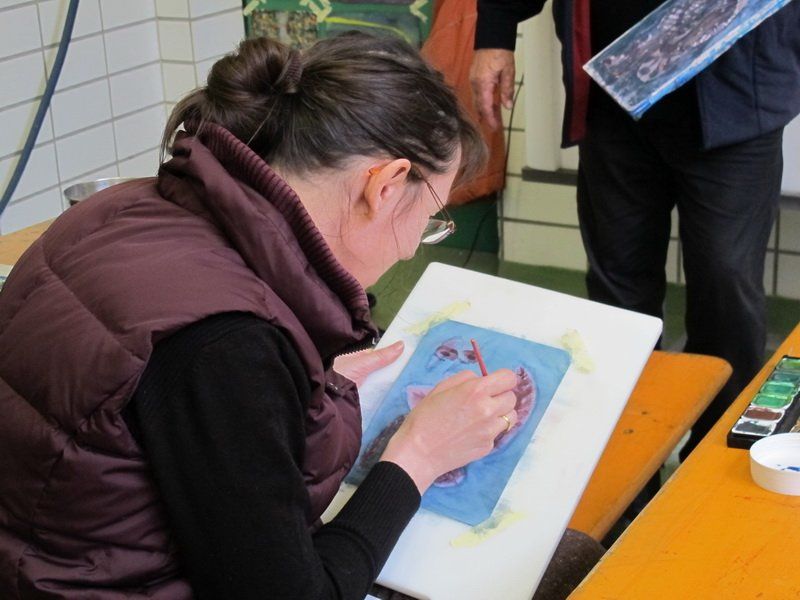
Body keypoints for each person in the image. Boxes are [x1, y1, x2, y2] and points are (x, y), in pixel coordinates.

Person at [0, 33, 524, 599]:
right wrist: (418, 456)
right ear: (386, 185)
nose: (411, 248)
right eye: (429, 217)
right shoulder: (229, 346)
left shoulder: (123, 206)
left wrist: (302, 380)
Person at [470, 0, 800, 460]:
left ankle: (712, 459)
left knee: (726, 288)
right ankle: (627, 456)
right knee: (618, 290)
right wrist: (495, 33)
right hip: (613, 93)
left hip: (739, 93)